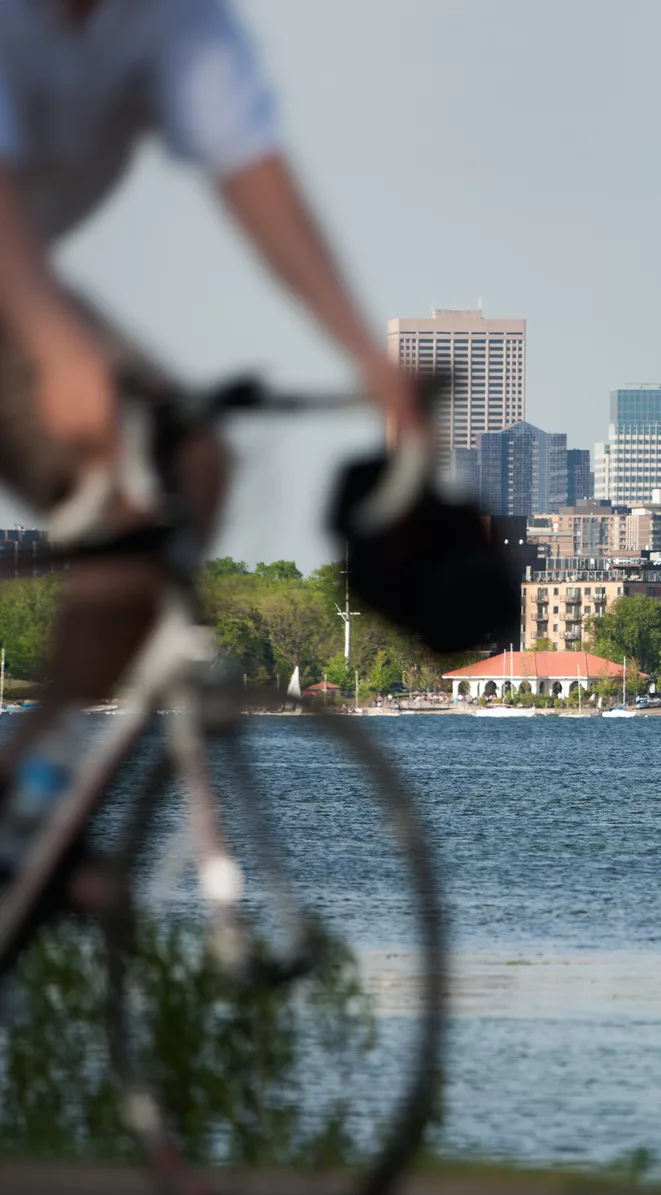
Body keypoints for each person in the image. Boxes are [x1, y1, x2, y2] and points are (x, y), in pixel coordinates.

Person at [0, 0, 420, 872]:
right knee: (110, 473)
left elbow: (256, 177)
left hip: (21, 298)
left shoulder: (177, 21)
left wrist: (366, 359)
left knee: (194, 462)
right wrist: (56, 348)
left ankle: (25, 805)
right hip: (20, 300)